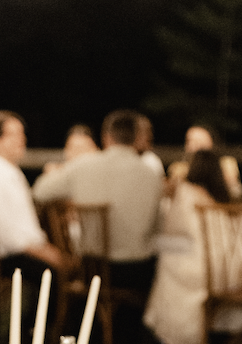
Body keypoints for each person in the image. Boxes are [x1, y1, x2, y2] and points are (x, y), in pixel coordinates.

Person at [33, 108, 163, 273]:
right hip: (139, 269)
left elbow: (39, 191)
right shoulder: (152, 174)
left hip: (94, 267)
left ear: (106, 137)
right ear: (137, 138)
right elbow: (157, 227)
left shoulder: (84, 165)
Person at [143, 148, 232, 344]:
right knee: (172, 269)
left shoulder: (186, 192)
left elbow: (175, 230)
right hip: (230, 266)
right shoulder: (220, 197)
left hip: (204, 265)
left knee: (168, 272)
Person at [0, 112, 64, 275]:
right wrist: (45, 253)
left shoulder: (10, 172)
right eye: (13, 134)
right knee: (60, 271)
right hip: (12, 260)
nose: (21, 139)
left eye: (21, 134)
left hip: (23, 252)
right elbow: (10, 238)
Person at [166, 122, 242, 198]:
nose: (193, 146)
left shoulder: (227, 163)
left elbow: (233, 189)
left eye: (199, 142)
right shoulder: (177, 168)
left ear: (211, 144)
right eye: (189, 141)